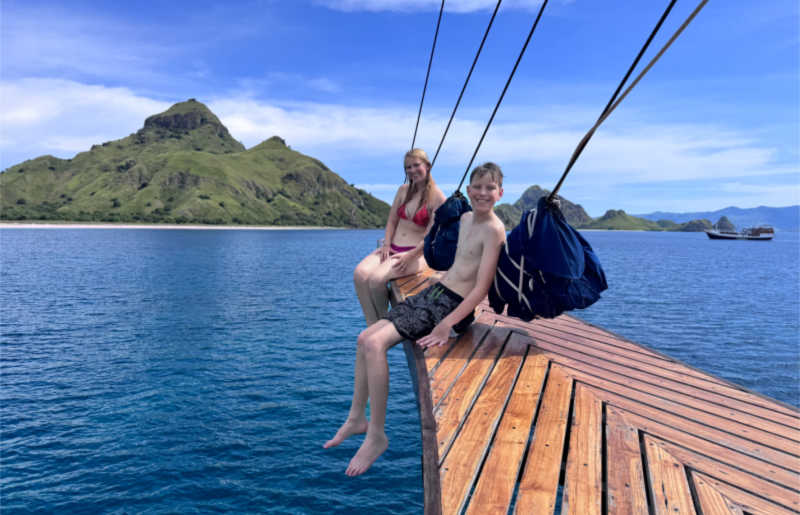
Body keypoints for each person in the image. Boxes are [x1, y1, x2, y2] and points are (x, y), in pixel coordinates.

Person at [325, 162, 506, 477]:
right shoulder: (464, 219)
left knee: (375, 341)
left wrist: (447, 323)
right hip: (437, 294)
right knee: (363, 338)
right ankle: (356, 417)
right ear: (468, 190)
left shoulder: (494, 229)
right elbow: (451, 252)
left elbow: (480, 289)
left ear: (500, 193)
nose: (482, 193)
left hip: (453, 307)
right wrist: (429, 268)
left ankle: (376, 435)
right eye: (477, 186)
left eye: (490, 188)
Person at [353, 149, 446, 326]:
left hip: (416, 254)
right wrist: (387, 245)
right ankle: (372, 323)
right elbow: (392, 221)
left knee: (376, 280)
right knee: (360, 274)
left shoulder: (438, 198)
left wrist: (409, 256)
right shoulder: (403, 191)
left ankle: (383, 323)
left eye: (416, 165)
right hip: (393, 247)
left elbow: (430, 238)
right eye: (407, 167)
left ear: (427, 166)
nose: (412, 170)